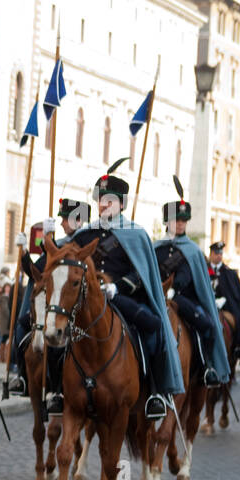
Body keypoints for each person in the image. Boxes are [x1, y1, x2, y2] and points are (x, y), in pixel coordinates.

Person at [55, 161, 183, 420]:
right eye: (100, 200)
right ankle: (56, 391)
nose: (103, 205)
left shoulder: (135, 234)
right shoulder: (84, 234)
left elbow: (143, 272)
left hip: (121, 299)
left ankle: (156, 393)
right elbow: (64, 264)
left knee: (154, 327)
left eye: (109, 200)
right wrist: (44, 241)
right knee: (55, 329)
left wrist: (118, 286)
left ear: (121, 204)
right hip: (87, 302)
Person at [7, 199, 90, 395]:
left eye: (66, 219)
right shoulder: (57, 246)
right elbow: (35, 273)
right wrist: (25, 253)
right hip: (50, 304)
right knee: (21, 326)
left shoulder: (84, 246)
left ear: (79, 220)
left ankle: (59, 390)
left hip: (73, 306)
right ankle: (21, 376)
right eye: (61, 219)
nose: (62, 223)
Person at [153, 183, 228, 388]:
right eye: (177, 220)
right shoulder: (156, 248)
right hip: (156, 296)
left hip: (181, 297)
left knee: (209, 326)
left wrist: (174, 288)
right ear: (167, 221)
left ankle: (207, 367)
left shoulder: (192, 250)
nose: (181, 224)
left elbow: (187, 273)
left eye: (184, 221)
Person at [207, 242, 240, 360]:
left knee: (239, 319)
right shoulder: (204, 270)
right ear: (211, 254)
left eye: (220, 253)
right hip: (206, 305)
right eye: (216, 253)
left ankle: (238, 347)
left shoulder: (229, 273)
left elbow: (239, 293)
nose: (218, 256)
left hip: (226, 307)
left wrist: (225, 299)